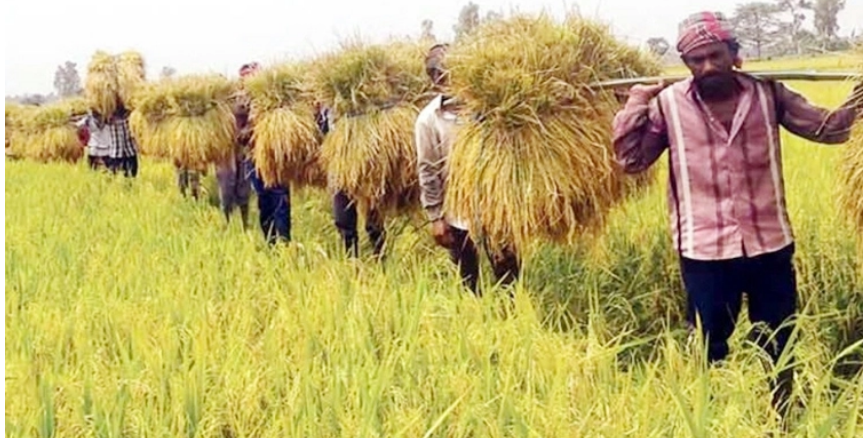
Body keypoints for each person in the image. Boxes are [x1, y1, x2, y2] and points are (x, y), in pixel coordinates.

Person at [612, 11, 863, 418]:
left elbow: (829, 130)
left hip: (770, 245)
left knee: (779, 339)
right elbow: (631, 159)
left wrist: (859, 95)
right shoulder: (668, 107)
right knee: (707, 345)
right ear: (686, 65)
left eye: (715, 56)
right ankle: (707, 418)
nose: (707, 67)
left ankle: (783, 414)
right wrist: (636, 104)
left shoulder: (770, 95)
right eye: (696, 61)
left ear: (735, 55)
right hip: (704, 251)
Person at [414, 43, 520, 295]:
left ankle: (512, 320)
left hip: (496, 205)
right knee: (467, 277)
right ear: (435, 81)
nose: (449, 80)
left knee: (509, 272)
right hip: (457, 211)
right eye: (443, 76)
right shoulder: (428, 119)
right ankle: (474, 320)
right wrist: (435, 217)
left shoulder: (489, 106)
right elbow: (427, 169)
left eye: (454, 72)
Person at [317, 102, 388, 259]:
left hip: (367, 158)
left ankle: (380, 256)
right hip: (339, 159)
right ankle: (352, 259)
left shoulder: (367, 99)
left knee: (373, 212)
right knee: (342, 215)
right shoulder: (328, 102)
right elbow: (322, 128)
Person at [238, 62, 289, 244]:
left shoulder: (273, 101)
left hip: (275, 159)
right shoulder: (241, 105)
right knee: (264, 201)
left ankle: (285, 243)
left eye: (252, 77)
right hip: (254, 159)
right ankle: (270, 243)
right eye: (245, 78)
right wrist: (250, 131)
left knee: (280, 200)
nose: (248, 81)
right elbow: (237, 135)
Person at [105, 101, 139, 178]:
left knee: (132, 175)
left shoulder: (131, 117)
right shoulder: (109, 119)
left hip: (129, 152)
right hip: (116, 154)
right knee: (114, 176)